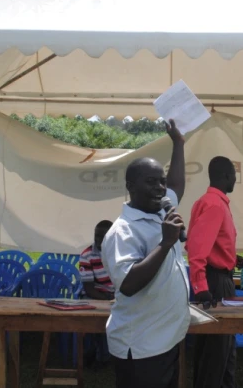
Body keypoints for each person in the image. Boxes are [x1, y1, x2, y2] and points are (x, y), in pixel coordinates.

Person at [100, 120, 188, 388]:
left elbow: (176, 184)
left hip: (166, 339)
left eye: (161, 182)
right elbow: (128, 284)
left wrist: (178, 144)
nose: (161, 188)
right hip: (140, 346)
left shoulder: (160, 210)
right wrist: (165, 243)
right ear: (131, 187)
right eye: (151, 182)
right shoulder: (122, 232)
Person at [186, 156, 242, 388]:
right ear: (226, 176)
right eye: (234, 175)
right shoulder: (215, 205)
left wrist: (233, 258)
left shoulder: (209, 202)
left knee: (223, 348)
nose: (235, 180)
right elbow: (197, 249)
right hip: (215, 281)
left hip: (219, 276)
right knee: (216, 351)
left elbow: (209, 243)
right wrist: (201, 287)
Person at [79, 220, 115, 369]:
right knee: (98, 317)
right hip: (95, 295)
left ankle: (104, 354)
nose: (98, 240)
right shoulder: (87, 255)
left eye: (103, 236)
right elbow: (89, 289)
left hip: (117, 294)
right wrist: (108, 299)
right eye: (97, 236)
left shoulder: (121, 252)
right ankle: (99, 355)